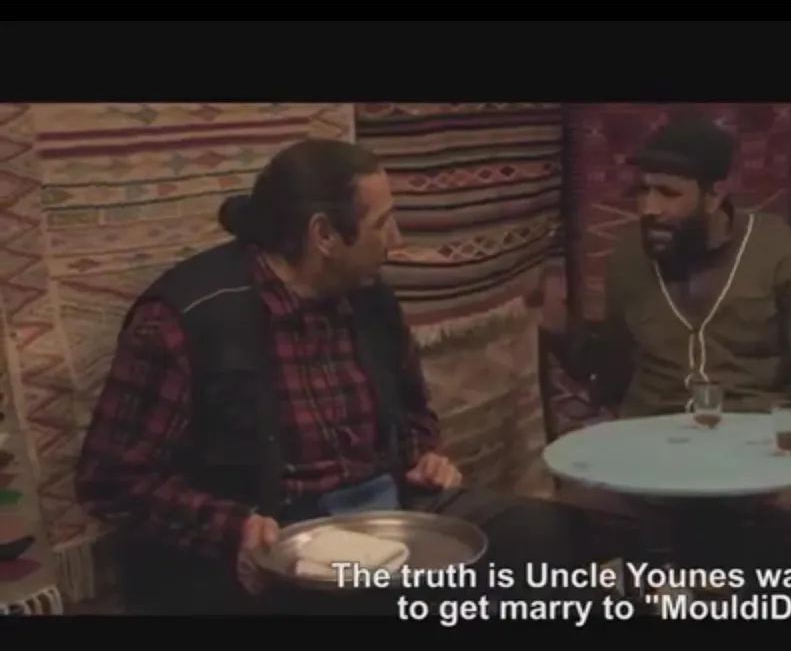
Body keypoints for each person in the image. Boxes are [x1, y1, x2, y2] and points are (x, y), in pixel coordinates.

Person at [74, 139, 603, 615]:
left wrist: (421, 456)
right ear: (324, 234)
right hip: (281, 537)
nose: (397, 240)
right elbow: (112, 480)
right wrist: (233, 529)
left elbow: (414, 413)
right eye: (382, 223)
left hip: (386, 514)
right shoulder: (188, 318)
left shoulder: (370, 298)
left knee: (559, 539)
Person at [562, 114, 791, 567]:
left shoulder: (782, 252)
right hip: (656, 455)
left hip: (755, 456)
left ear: (716, 193)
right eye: (643, 191)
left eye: (668, 193)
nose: (649, 208)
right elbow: (612, 368)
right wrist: (563, 336)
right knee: (568, 516)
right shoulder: (628, 259)